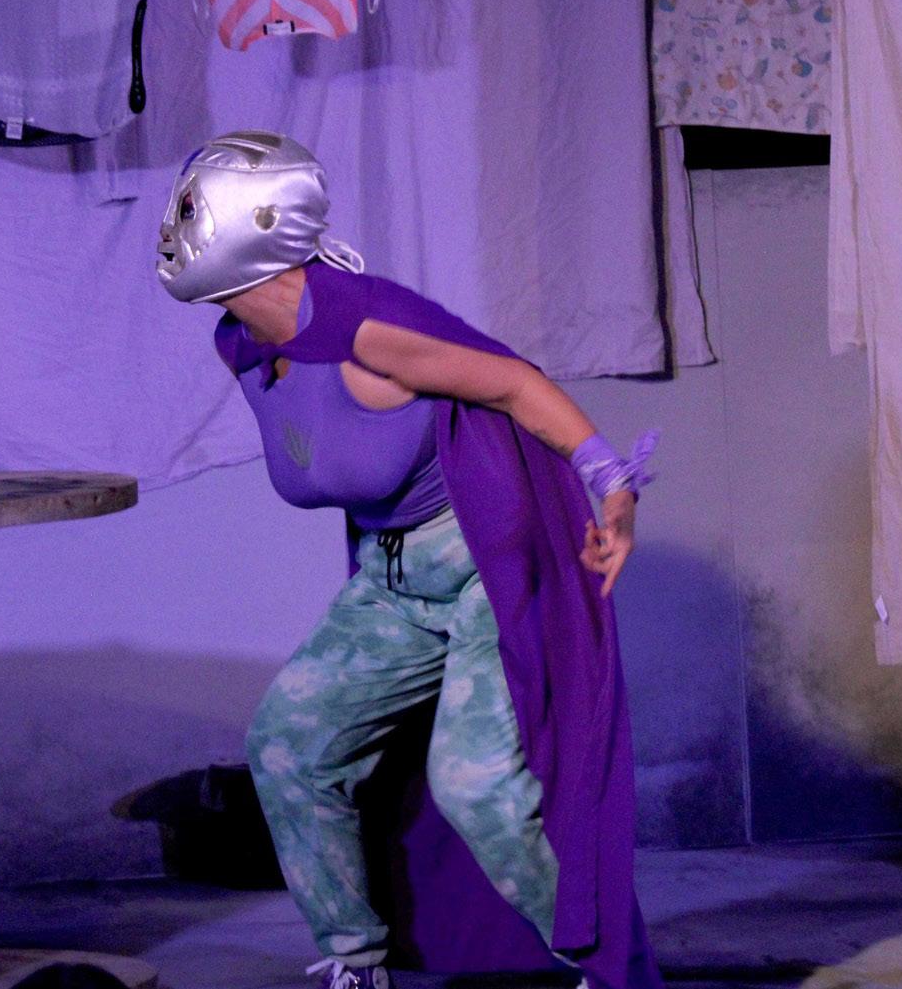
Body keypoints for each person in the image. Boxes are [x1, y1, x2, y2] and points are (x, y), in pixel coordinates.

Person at [156, 131, 661, 989]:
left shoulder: (366, 332)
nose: (176, 229)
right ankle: (357, 962)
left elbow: (512, 383)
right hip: (391, 582)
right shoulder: (240, 342)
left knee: (474, 782)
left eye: (193, 209)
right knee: (288, 745)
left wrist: (611, 481)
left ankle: (606, 970)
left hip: (481, 573)